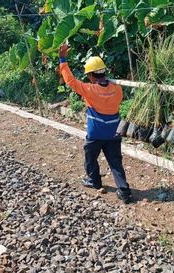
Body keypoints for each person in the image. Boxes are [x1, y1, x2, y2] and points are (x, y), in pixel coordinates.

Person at [57, 44, 132, 204]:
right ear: (104, 72)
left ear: (91, 75)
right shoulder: (117, 89)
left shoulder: (89, 89)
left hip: (96, 134)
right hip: (114, 133)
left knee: (90, 157)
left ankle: (95, 181)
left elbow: (70, 81)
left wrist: (62, 59)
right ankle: (124, 190)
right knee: (115, 162)